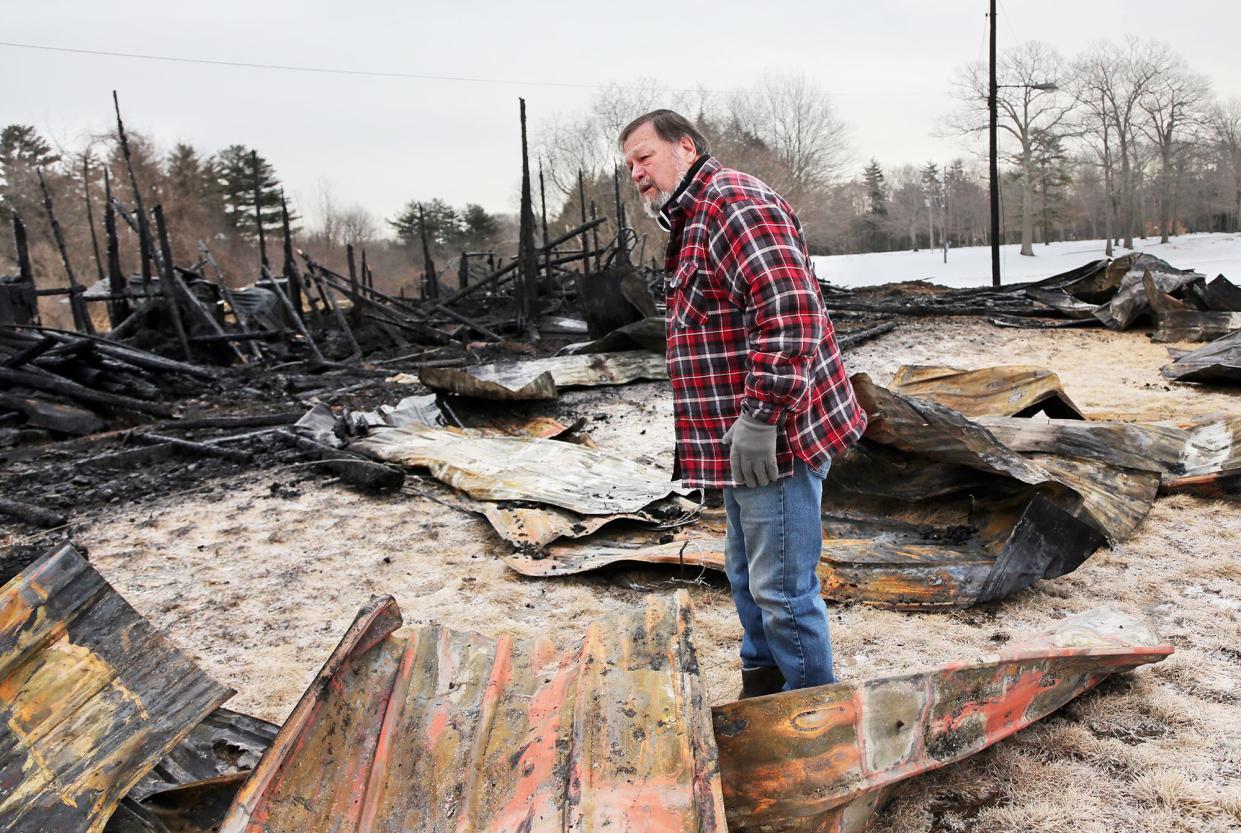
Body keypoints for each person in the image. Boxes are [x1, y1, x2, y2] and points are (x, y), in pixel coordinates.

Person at [620, 109, 867, 697]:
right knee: (746, 577)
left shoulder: (733, 203)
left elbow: (791, 313)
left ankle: (811, 719)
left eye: (644, 157)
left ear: (685, 146)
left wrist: (760, 417)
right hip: (738, 443)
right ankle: (763, 689)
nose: (636, 173)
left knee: (782, 589)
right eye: (629, 164)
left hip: (773, 440)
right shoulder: (693, 216)